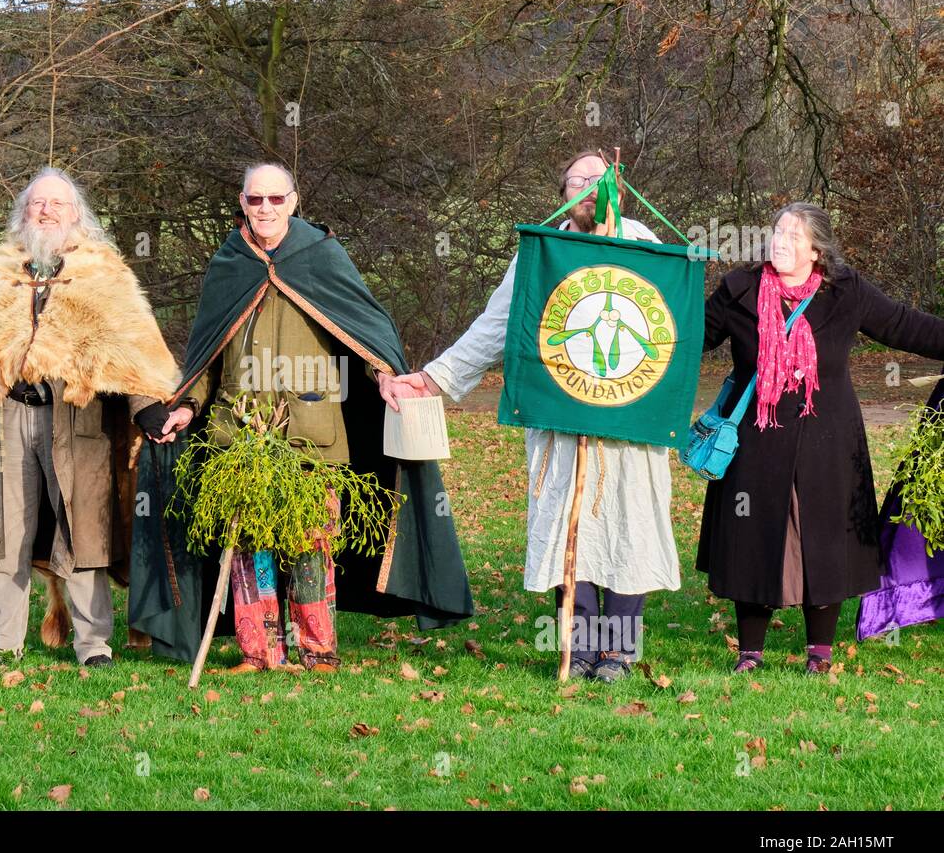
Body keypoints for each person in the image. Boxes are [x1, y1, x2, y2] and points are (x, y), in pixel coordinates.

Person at [131, 162, 471, 672]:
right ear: (242, 203)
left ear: (294, 201)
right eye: (255, 200)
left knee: (311, 542)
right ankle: (259, 650)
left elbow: (361, 326)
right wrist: (187, 406)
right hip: (238, 433)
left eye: (275, 199)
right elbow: (208, 353)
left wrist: (383, 375)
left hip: (313, 435)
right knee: (250, 546)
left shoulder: (321, 256)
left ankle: (317, 648)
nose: (265, 208)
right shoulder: (229, 264)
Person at [392, 149, 677, 681]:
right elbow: (497, 324)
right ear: (563, 193)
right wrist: (433, 378)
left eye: (600, 178)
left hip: (629, 420)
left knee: (627, 525)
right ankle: (583, 646)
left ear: (619, 184)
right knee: (570, 529)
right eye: (577, 180)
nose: (589, 187)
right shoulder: (542, 253)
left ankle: (617, 651)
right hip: (560, 414)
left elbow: (668, 326)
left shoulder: (645, 246)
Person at [0, 167, 179, 667]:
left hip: (79, 423)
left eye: (57, 205)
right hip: (7, 418)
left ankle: (93, 645)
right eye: (36, 204)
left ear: (78, 217)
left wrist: (148, 405)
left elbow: (129, 350)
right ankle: (3, 641)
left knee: (83, 531)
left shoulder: (104, 275)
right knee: (6, 533)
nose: (45, 212)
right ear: (22, 214)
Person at [698, 202, 944, 674]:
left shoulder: (845, 291)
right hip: (756, 439)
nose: (780, 242)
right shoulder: (740, 289)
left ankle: (819, 653)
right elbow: (692, 338)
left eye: (793, 235)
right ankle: (750, 651)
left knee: (826, 539)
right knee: (752, 537)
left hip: (828, 440)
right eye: (777, 232)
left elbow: (903, 325)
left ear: (816, 249)